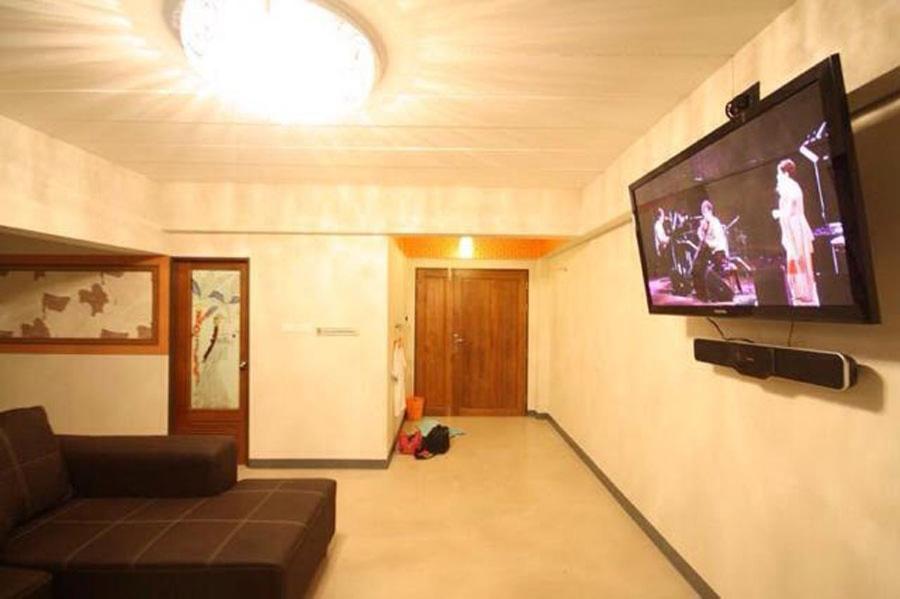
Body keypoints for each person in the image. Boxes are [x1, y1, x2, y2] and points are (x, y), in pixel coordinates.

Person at [772, 158, 819, 305]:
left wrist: (779, 213)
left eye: (779, 173)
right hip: (790, 227)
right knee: (793, 258)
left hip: (795, 227)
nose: (777, 176)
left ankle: (805, 291)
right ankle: (797, 290)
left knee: (799, 257)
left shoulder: (791, 186)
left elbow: (792, 207)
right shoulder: (788, 186)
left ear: (785, 173)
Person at [691, 199, 733, 301]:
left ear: (710, 211)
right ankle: (701, 291)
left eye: (705, 212)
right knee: (697, 264)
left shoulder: (715, 222)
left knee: (703, 265)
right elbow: (699, 234)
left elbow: (718, 241)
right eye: (702, 212)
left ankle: (711, 290)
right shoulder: (705, 223)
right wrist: (702, 231)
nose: (704, 214)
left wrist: (707, 244)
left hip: (718, 250)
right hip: (709, 250)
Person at [652, 208, 671, 276]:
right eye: (663, 215)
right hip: (661, 248)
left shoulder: (659, 224)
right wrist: (670, 238)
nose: (664, 216)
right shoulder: (658, 225)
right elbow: (661, 239)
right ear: (659, 216)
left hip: (662, 247)